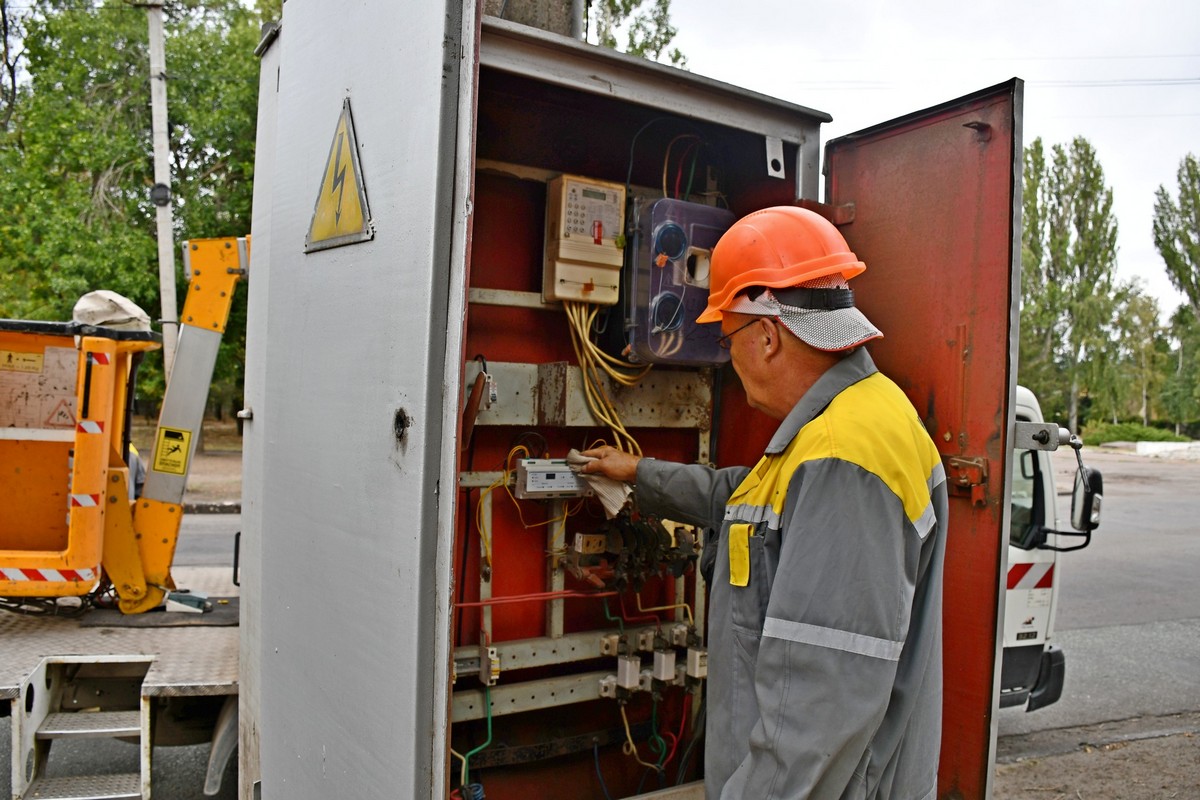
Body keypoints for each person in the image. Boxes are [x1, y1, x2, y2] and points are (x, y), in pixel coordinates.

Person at [581, 206, 948, 800]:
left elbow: (817, 711)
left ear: (768, 336)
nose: (729, 358)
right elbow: (744, 499)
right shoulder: (842, 426)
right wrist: (642, 474)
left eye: (729, 338)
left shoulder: (844, 457)